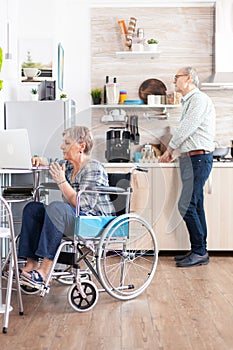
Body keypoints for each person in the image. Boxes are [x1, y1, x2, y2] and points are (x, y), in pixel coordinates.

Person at [19, 126, 115, 286]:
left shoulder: (94, 168)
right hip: (74, 219)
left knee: (56, 208)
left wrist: (62, 182)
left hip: (94, 221)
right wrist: (39, 159)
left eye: (67, 143)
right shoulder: (69, 165)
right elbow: (49, 161)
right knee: (33, 208)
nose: (61, 146)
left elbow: (83, 205)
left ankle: (44, 272)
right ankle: (31, 266)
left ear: (81, 146)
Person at [159, 66, 216, 267]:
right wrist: (174, 153)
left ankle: (199, 251)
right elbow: (188, 134)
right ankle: (199, 250)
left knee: (186, 204)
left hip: (198, 160)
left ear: (189, 78)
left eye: (177, 77)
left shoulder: (198, 99)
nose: (174, 81)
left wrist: (169, 150)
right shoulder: (190, 101)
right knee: (196, 204)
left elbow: (187, 128)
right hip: (192, 160)